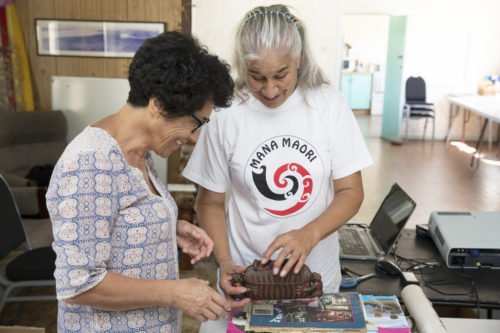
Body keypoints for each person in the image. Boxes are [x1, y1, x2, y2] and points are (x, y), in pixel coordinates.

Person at [182, 3, 373, 313]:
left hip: (316, 279)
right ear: (242, 66)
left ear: (298, 59)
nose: (270, 90)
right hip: (248, 281)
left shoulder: (329, 105)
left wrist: (309, 235)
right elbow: (210, 201)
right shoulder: (225, 112)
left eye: (280, 75)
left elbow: (351, 192)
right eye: (256, 77)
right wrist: (226, 262)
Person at [46, 31, 234, 332]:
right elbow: (79, 284)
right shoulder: (91, 162)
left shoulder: (140, 153)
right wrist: (176, 292)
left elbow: (110, 224)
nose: (195, 137)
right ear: (158, 105)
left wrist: (166, 227)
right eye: (196, 123)